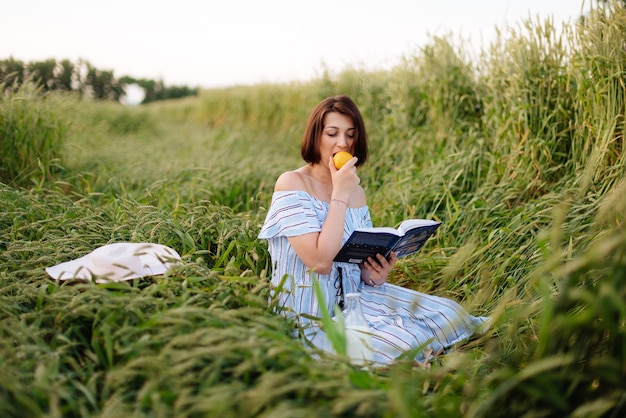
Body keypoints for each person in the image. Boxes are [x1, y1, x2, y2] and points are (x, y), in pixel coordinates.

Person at [259, 95, 489, 364]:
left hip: (357, 298)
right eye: (332, 133)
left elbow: (357, 265)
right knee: (407, 341)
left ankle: (412, 342)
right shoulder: (292, 184)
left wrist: (375, 273)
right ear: (315, 138)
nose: (342, 143)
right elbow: (319, 261)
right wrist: (340, 195)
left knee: (452, 314)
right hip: (310, 314)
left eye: (350, 135)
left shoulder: (356, 193)